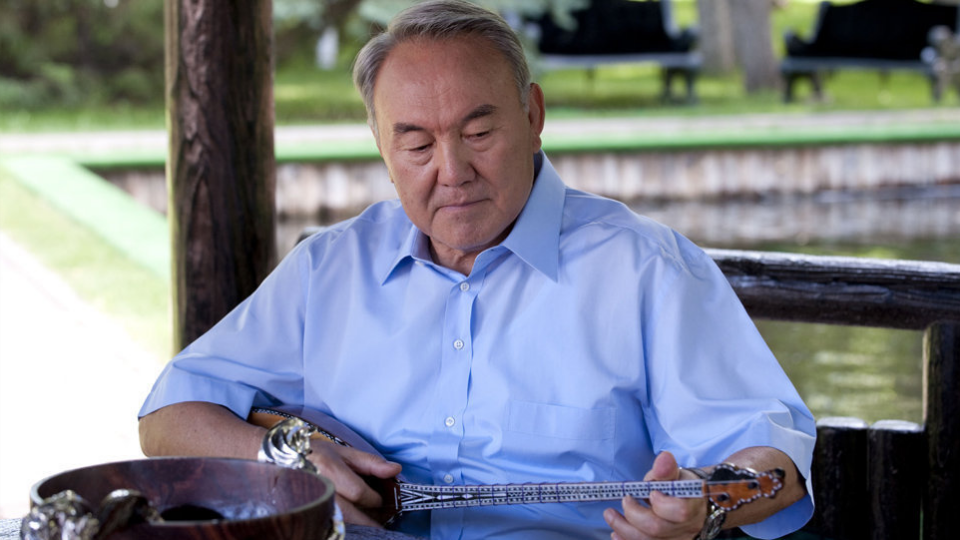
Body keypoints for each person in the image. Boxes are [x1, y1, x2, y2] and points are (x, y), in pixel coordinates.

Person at [139, 1, 816, 538]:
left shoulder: (647, 269)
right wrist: (284, 453)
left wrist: (703, 505)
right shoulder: (329, 268)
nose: (452, 171)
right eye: (416, 144)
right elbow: (170, 413)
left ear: (534, 115)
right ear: (382, 147)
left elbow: (773, 462)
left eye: (478, 132)